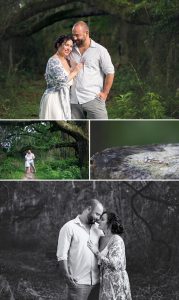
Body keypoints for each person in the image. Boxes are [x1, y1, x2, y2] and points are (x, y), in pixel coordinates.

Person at [56, 199, 104, 300]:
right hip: (78, 283)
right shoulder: (69, 227)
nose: (98, 218)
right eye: (97, 214)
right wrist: (67, 276)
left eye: (100, 215)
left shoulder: (99, 230)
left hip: (97, 283)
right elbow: (61, 255)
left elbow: (104, 252)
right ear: (88, 209)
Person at [69, 21, 115, 119]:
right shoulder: (70, 49)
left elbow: (110, 72)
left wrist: (105, 93)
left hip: (94, 99)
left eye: (77, 35)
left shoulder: (100, 50)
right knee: (74, 131)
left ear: (86, 33)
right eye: (73, 35)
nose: (74, 38)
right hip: (73, 101)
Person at [88, 212, 132, 300]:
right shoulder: (102, 238)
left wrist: (97, 252)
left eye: (102, 219)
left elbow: (114, 264)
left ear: (110, 223)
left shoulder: (117, 239)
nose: (99, 221)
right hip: (106, 283)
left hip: (116, 283)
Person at [39, 35, 83, 119]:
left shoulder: (66, 60)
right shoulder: (53, 60)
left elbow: (70, 78)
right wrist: (76, 71)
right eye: (66, 45)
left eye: (71, 46)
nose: (69, 48)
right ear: (58, 45)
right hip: (54, 99)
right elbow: (62, 81)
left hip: (65, 98)